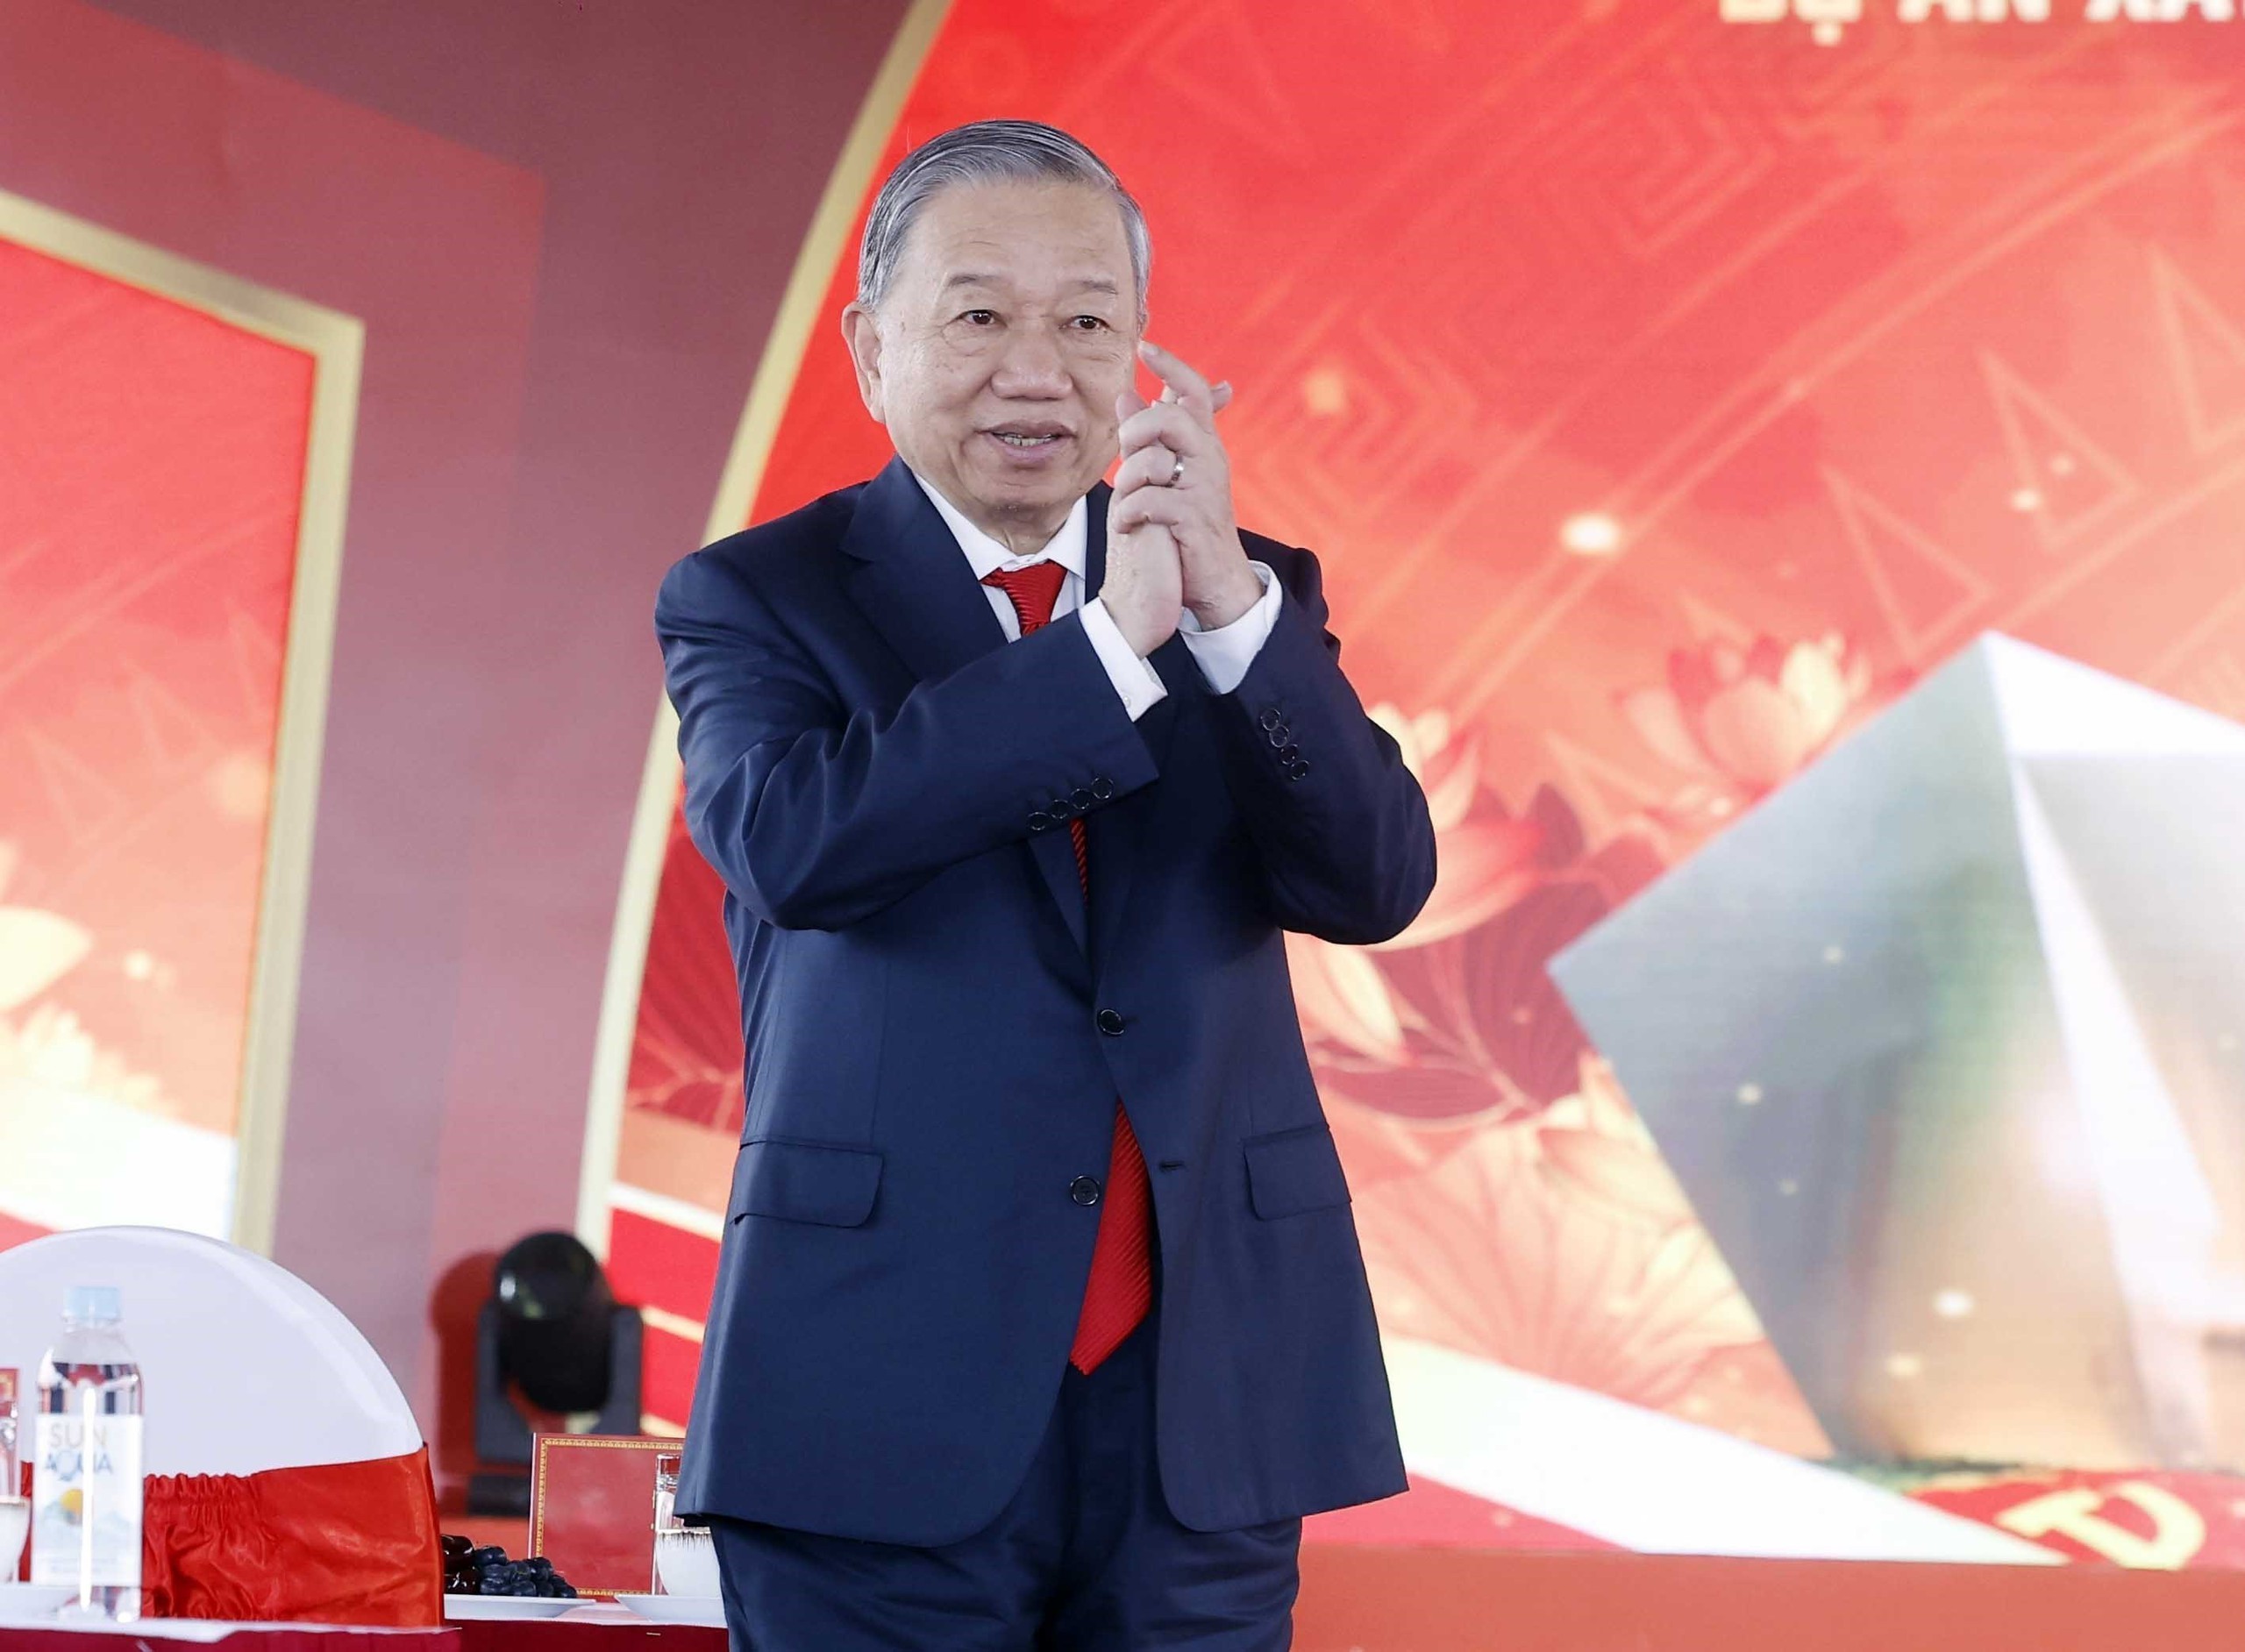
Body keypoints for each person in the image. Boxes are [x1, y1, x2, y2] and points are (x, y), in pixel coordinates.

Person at [656, 118, 1436, 1651]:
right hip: (877, 1389)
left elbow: (1374, 881)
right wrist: (1102, 653)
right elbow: (796, 846)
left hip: (1199, 1404)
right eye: (979, 317)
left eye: (1087, 323)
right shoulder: (759, 596)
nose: (1038, 371)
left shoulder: (1244, 590)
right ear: (871, 349)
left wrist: (1228, 619)